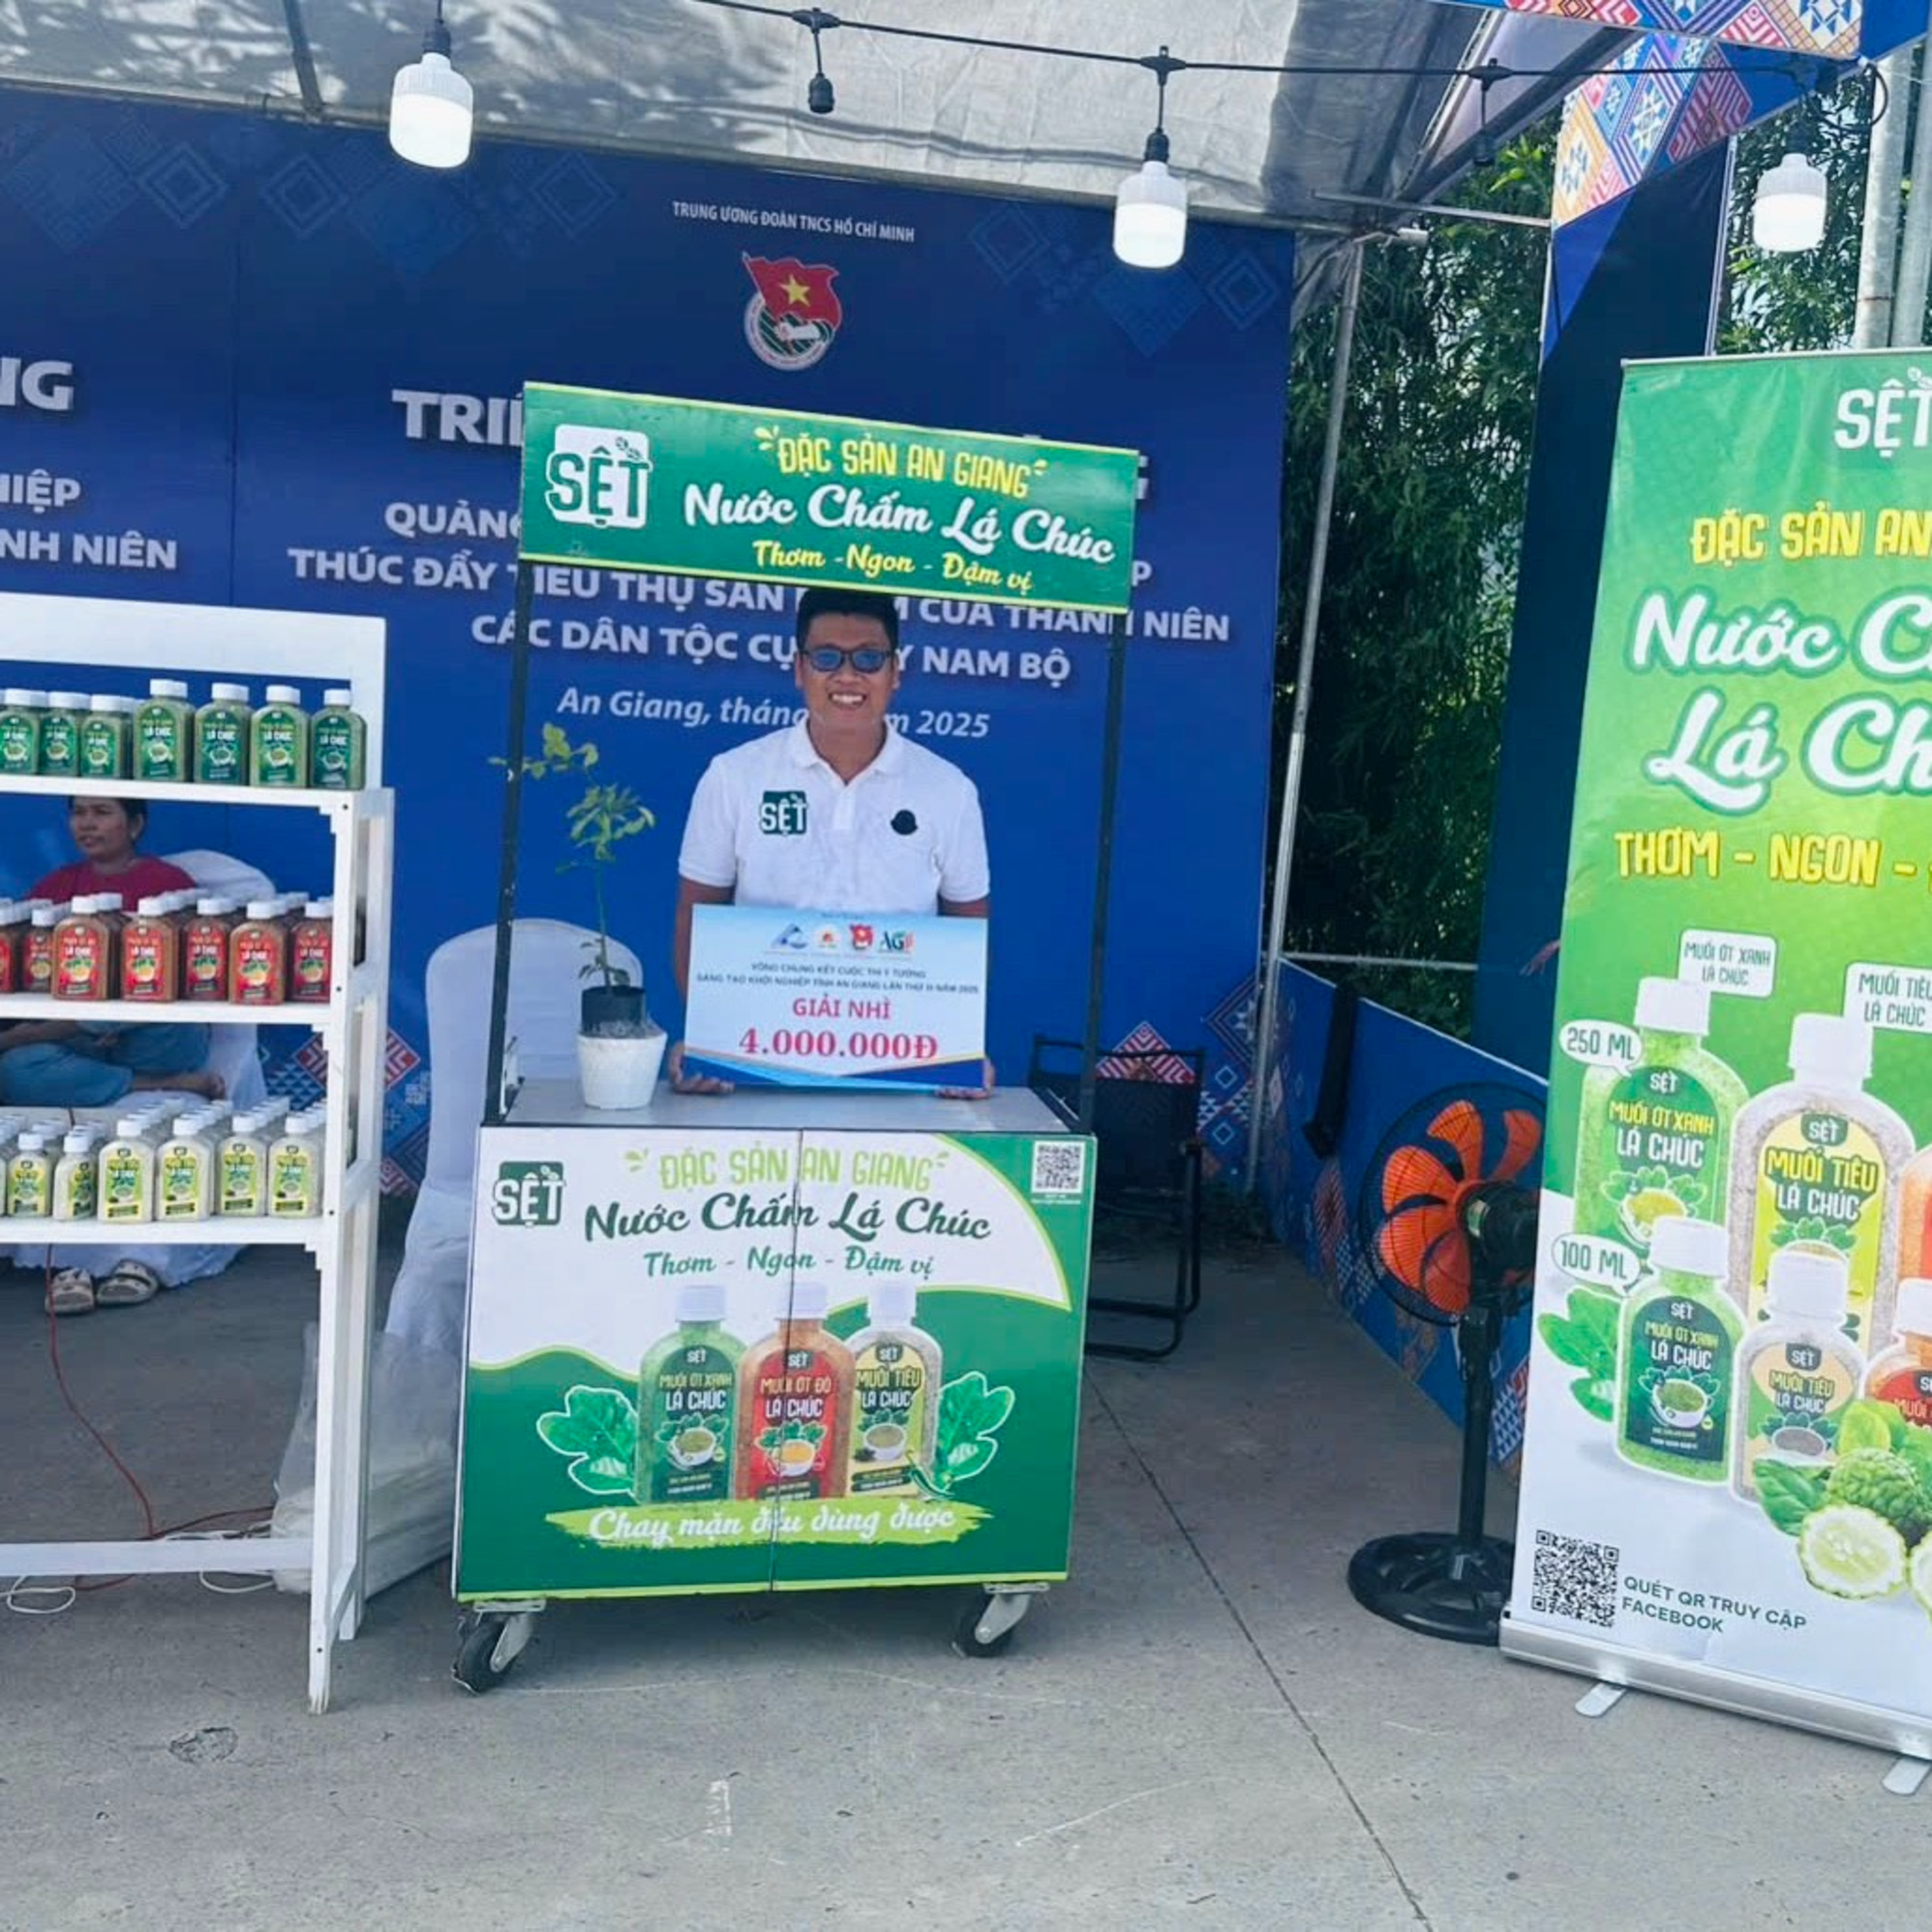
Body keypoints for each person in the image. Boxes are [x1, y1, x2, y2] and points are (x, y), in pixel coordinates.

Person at [673, 587, 990, 1094]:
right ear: (799, 669)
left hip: (903, 1076)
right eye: (826, 658)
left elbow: (969, 926)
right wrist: (709, 1039)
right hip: (755, 1072)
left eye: (868, 658)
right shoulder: (734, 777)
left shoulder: (949, 790)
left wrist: (959, 1046)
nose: (847, 676)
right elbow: (696, 915)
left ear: (896, 671)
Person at [0, 797, 222, 1112]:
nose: (87, 824)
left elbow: (178, 983)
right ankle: (154, 1082)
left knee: (168, 1015)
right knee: (16, 1071)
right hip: (77, 1041)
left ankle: (118, 1076)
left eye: (102, 812)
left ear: (135, 825)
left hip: (150, 1038)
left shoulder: (169, 885)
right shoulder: (58, 886)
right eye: (79, 813)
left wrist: (25, 1037)